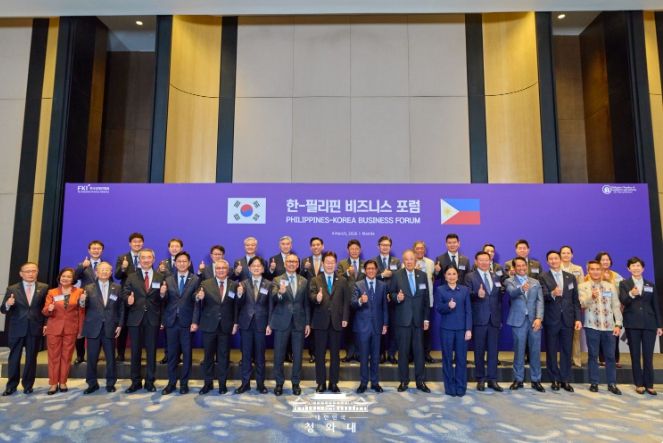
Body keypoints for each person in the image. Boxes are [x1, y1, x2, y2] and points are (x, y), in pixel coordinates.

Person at [1, 262, 48, 396]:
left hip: (35, 327)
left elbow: (45, 309)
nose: (31, 274)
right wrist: (8, 304)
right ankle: (11, 386)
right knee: (14, 357)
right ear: (21, 274)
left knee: (31, 358)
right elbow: (3, 310)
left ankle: (28, 385)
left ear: (37, 272)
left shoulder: (44, 288)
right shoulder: (12, 289)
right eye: (27, 271)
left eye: (34, 271)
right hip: (17, 328)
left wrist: (46, 324)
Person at [122, 248, 165, 393]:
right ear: (139, 260)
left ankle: (150, 381)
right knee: (135, 352)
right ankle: (135, 382)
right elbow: (124, 294)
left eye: (149, 257)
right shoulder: (131, 277)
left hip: (153, 319)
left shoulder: (160, 277)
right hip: (135, 319)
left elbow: (163, 300)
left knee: (151, 352)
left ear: (153, 259)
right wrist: (127, 299)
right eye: (143, 258)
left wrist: (163, 295)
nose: (146, 260)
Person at [618, 257, 663, 395]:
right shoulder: (624, 284)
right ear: (628, 268)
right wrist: (631, 294)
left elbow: (655, 305)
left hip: (649, 323)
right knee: (635, 355)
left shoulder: (650, 284)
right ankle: (639, 384)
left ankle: (649, 384)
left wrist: (659, 325)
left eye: (638, 266)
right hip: (632, 323)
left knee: (648, 356)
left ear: (643, 268)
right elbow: (623, 300)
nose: (636, 268)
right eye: (633, 266)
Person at [194, 260, 239, 395]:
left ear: (228, 270)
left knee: (223, 357)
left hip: (226, 326)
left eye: (223, 268)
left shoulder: (234, 285)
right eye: (218, 268)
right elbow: (196, 297)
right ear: (215, 270)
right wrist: (199, 297)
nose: (220, 270)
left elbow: (236, 306)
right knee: (208, 357)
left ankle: (222, 384)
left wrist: (235, 323)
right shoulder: (205, 284)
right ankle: (208, 383)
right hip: (209, 325)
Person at [538, 250, 581, 392]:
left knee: (566, 350)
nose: (554, 261)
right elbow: (541, 295)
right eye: (550, 259)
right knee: (551, 350)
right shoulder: (543, 276)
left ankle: (565, 379)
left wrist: (578, 318)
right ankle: (554, 379)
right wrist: (552, 294)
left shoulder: (570, 277)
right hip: (551, 318)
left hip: (568, 319)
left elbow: (575, 300)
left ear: (560, 259)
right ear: (547, 262)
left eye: (556, 258)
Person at [390, 249, 431, 393]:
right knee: (403, 352)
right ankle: (404, 381)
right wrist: (397, 297)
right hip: (403, 321)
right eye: (406, 259)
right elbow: (390, 294)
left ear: (415, 261)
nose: (409, 262)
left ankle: (420, 381)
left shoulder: (422, 275)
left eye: (411, 259)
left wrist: (426, 318)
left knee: (419, 353)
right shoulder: (397, 275)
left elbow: (426, 299)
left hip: (419, 321)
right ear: (403, 261)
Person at [579, 260, 622, 395]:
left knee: (610, 356)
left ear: (602, 271)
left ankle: (612, 383)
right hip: (592, 325)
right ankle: (594, 383)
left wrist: (618, 323)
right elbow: (582, 304)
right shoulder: (583, 286)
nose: (595, 271)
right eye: (592, 269)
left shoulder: (610, 286)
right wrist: (591, 297)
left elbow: (616, 306)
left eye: (598, 269)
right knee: (593, 355)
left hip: (609, 327)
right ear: (588, 271)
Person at [160, 251, 200, 395]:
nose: (182, 263)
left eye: (184, 261)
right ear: (175, 264)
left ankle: (184, 384)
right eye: (179, 261)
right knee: (172, 354)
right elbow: (164, 303)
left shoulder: (195, 279)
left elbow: (196, 303)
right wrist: (162, 294)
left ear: (189, 263)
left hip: (187, 322)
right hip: (171, 322)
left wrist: (195, 321)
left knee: (187, 354)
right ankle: (171, 383)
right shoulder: (168, 279)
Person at [310, 251, 350, 393]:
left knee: (335, 355)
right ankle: (321, 383)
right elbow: (310, 296)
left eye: (332, 262)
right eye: (327, 262)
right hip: (320, 322)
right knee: (320, 354)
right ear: (322, 264)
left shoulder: (342, 280)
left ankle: (333, 383)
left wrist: (345, 318)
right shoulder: (315, 280)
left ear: (335, 264)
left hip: (336, 321)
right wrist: (316, 298)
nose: (329, 265)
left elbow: (346, 301)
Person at [270, 253, 310, 396]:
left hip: (299, 322)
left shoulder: (304, 281)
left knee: (298, 355)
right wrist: (280, 293)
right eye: (289, 261)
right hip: (282, 321)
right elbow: (274, 297)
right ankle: (279, 383)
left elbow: (306, 304)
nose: (292, 264)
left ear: (298, 264)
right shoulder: (277, 279)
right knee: (279, 355)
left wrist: (307, 323)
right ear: (285, 264)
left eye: (294, 262)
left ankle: (295, 383)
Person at [80, 262, 124, 394]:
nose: (104, 272)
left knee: (111, 358)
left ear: (111, 273)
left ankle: (110, 383)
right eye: (102, 270)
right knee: (92, 358)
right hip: (93, 327)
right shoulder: (88, 288)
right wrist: (81, 300)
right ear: (96, 272)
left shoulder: (117, 287)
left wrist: (120, 325)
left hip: (110, 326)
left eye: (107, 270)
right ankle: (92, 384)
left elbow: (121, 308)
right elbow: (82, 306)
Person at [42, 268, 85, 395]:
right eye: (63, 276)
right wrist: (49, 309)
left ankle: (63, 382)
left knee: (67, 357)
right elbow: (45, 311)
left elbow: (81, 312)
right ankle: (53, 383)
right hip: (54, 328)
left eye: (68, 276)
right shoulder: (52, 292)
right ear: (59, 277)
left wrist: (81, 329)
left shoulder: (79, 292)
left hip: (71, 328)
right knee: (53, 357)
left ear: (73, 279)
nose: (65, 278)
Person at [465, 251, 503, 392]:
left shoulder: (495, 276)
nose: (484, 262)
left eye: (486, 260)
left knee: (493, 351)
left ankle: (492, 379)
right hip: (479, 319)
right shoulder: (470, 276)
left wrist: (499, 317)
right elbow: (466, 296)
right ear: (476, 261)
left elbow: (498, 299)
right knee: (479, 351)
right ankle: (480, 379)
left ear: (490, 261)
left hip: (494, 320)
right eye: (481, 260)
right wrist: (477, 294)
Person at [505, 257, 545, 392]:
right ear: (514, 268)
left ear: (526, 266)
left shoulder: (535, 282)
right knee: (519, 351)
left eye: (523, 265)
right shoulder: (509, 281)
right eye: (518, 266)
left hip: (534, 321)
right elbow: (512, 293)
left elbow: (540, 301)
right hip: (518, 321)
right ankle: (518, 379)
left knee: (535, 351)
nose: (521, 268)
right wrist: (521, 289)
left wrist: (539, 318)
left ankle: (536, 380)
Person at [235, 257, 273, 394]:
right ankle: (245, 383)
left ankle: (260, 384)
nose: (256, 268)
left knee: (260, 356)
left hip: (261, 324)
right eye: (253, 266)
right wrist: (239, 295)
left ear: (263, 268)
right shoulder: (242, 284)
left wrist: (269, 324)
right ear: (249, 268)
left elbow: (271, 306)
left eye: (259, 266)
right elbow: (237, 305)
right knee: (246, 355)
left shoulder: (269, 284)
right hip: (246, 324)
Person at [351, 260, 388, 393]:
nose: (371, 271)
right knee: (364, 356)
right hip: (363, 327)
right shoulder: (358, 285)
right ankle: (363, 383)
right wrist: (360, 300)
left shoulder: (383, 285)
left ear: (376, 270)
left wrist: (385, 323)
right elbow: (352, 303)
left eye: (373, 268)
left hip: (377, 326)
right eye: (368, 269)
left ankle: (375, 382)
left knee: (376, 356)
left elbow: (384, 306)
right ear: (365, 270)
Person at [436, 266, 472, 397]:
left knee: (461, 359)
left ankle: (461, 387)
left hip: (462, 330)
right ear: (445, 276)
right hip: (446, 329)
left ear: (458, 276)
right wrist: (448, 306)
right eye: (449, 274)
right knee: (447, 359)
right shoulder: (440, 290)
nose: (451, 276)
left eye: (454, 274)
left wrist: (468, 329)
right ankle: (449, 387)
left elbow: (468, 311)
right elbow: (438, 308)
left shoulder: (464, 290)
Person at [73, 239, 105, 364]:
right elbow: (73, 279)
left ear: (102, 251)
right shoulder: (83, 265)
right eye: (94, 248)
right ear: (89, 250)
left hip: (100, 302)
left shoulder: (105, 265)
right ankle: (80, 355)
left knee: (99, 328)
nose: (96, 250)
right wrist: (82, 267)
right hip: (85, 300)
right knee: (81, 328)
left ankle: (95, 355)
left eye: (98, 248)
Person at [114, 232, 144, 362]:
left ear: (142, 243)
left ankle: (137, 354)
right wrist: (123, 268)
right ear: (130, 244)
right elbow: (117, 276)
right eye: (134, 241)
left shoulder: (146, 256)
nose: (137, 244)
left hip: (141, 296)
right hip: (126, 295)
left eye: (139, 241)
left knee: (139, 326)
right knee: (123, 324)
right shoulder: (122, 258)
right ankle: (120, 353)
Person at [595, 251, 624, 368]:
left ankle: (615, 359)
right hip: (598, 310)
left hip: (613, 310)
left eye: (607, 260)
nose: (605, 262)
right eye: (603, 260)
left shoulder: (617, 276)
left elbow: (623, 291)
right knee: (600, 335)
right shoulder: (593, 274)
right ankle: (602, 359)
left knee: (614, 336)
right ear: (598, 262)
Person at [337, 239, 363, 362]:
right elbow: (337, 278)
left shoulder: (365, 264)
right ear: (348, 250)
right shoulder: (342, 264)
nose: (354, 251)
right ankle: (349, 353)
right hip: (346, 301)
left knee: (360, 328)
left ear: (360, 250)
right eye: (352, 249)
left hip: (361, 301)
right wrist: (347, 273)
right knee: (347, 329)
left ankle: (359, 354)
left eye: (356, 249)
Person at [300, 236, 325, 363]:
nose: (316, 247)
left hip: (324, 297)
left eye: (318, 244)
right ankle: (312, 354)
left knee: (323, 327)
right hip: (308, 297)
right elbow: (300, 277)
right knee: (310, 325)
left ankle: (321, 354)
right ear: (310, 247)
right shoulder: (305, 261)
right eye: (313, 245)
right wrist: (305, 269)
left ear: (322, 246)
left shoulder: (326, 260)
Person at [560, 245, 585, 368]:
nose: (566, 255)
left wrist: (580, 302)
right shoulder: (556, 267)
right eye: (563, 253)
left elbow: (581, 286)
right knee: (563, 335)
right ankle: (565, 359)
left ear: (572, 255)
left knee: (576, 333)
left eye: (568, 253)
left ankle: (576, 359)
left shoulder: (578, 269)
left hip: (574, 304)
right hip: (560, 306)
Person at [413, 241, 435, 364]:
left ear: (425, 250)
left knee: (426, 329)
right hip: (413, 302)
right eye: (417, 248)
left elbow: (433, 278)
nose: (420, 250)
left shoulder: (430, 263)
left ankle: (426, 353)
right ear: (414, 250)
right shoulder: (408, 262)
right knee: (413, 329)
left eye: (422, 248)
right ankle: (412, 354)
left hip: (427, 300)